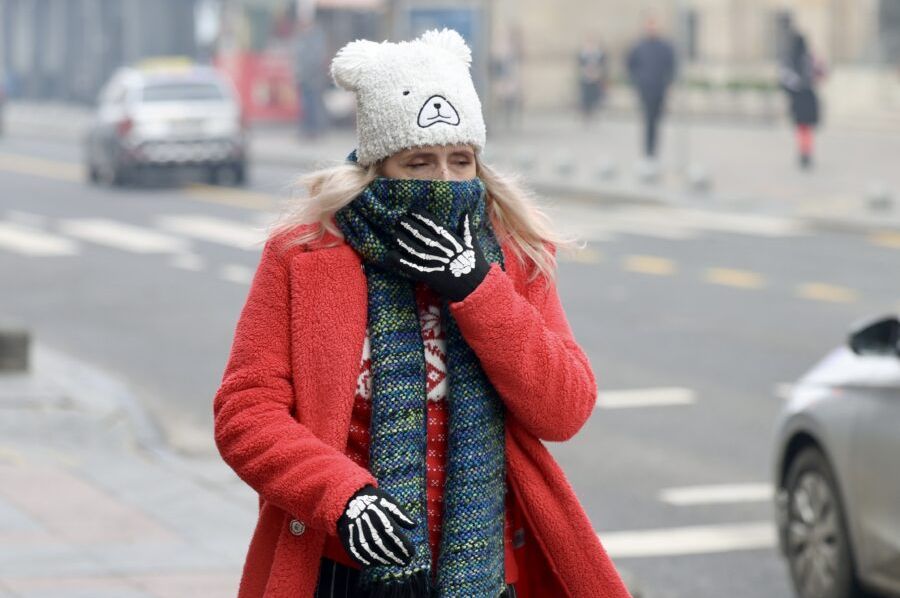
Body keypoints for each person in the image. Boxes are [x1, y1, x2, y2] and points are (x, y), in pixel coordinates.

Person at [213, 28, 632, 598]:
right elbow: (246, 412)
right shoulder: (305, 253)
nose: (443, 181)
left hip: (487, 577)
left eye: (460, 161)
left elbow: (564, 409)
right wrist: (343, 498)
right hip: (344, 573)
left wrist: (477, 290)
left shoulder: (513, 254)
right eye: (419, 161)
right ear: (378, 165)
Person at [627, 15, 677, 168]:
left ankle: (653, 153)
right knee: (648, 121)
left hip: (659, 89)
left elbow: (672, 66)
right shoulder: (639, 46)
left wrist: (668, 83)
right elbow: (630, 64)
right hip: (645, 89)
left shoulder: (665, 47)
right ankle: (648, 153)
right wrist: (637, 81)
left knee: (656, 121)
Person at [779, 30, 823, 169]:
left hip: (798, 98)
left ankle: (803, 151)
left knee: (801, 128)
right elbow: (821, 73)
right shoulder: (810, 58)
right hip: (808, 96)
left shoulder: (789, 60)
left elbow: (785, 80)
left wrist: (796, 86)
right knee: (806, 128)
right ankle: (806, 151)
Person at [293, 17, 330, 139]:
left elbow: (315, 59)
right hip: (304, 79)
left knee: (313, 105)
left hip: (313, 80)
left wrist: (305, 73)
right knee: (306, 106)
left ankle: (314, 130)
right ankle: (308, 130)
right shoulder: (303, 39)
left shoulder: (315, 40)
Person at [577, 34, 608, 125]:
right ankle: (587, 114)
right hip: (586, 79)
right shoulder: (582, 54)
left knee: (596, 96)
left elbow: (604, 66)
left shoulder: (600, 54)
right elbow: (580, 66)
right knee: (586, 97)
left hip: (597, 79)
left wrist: (598, 74)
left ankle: (595, 113)